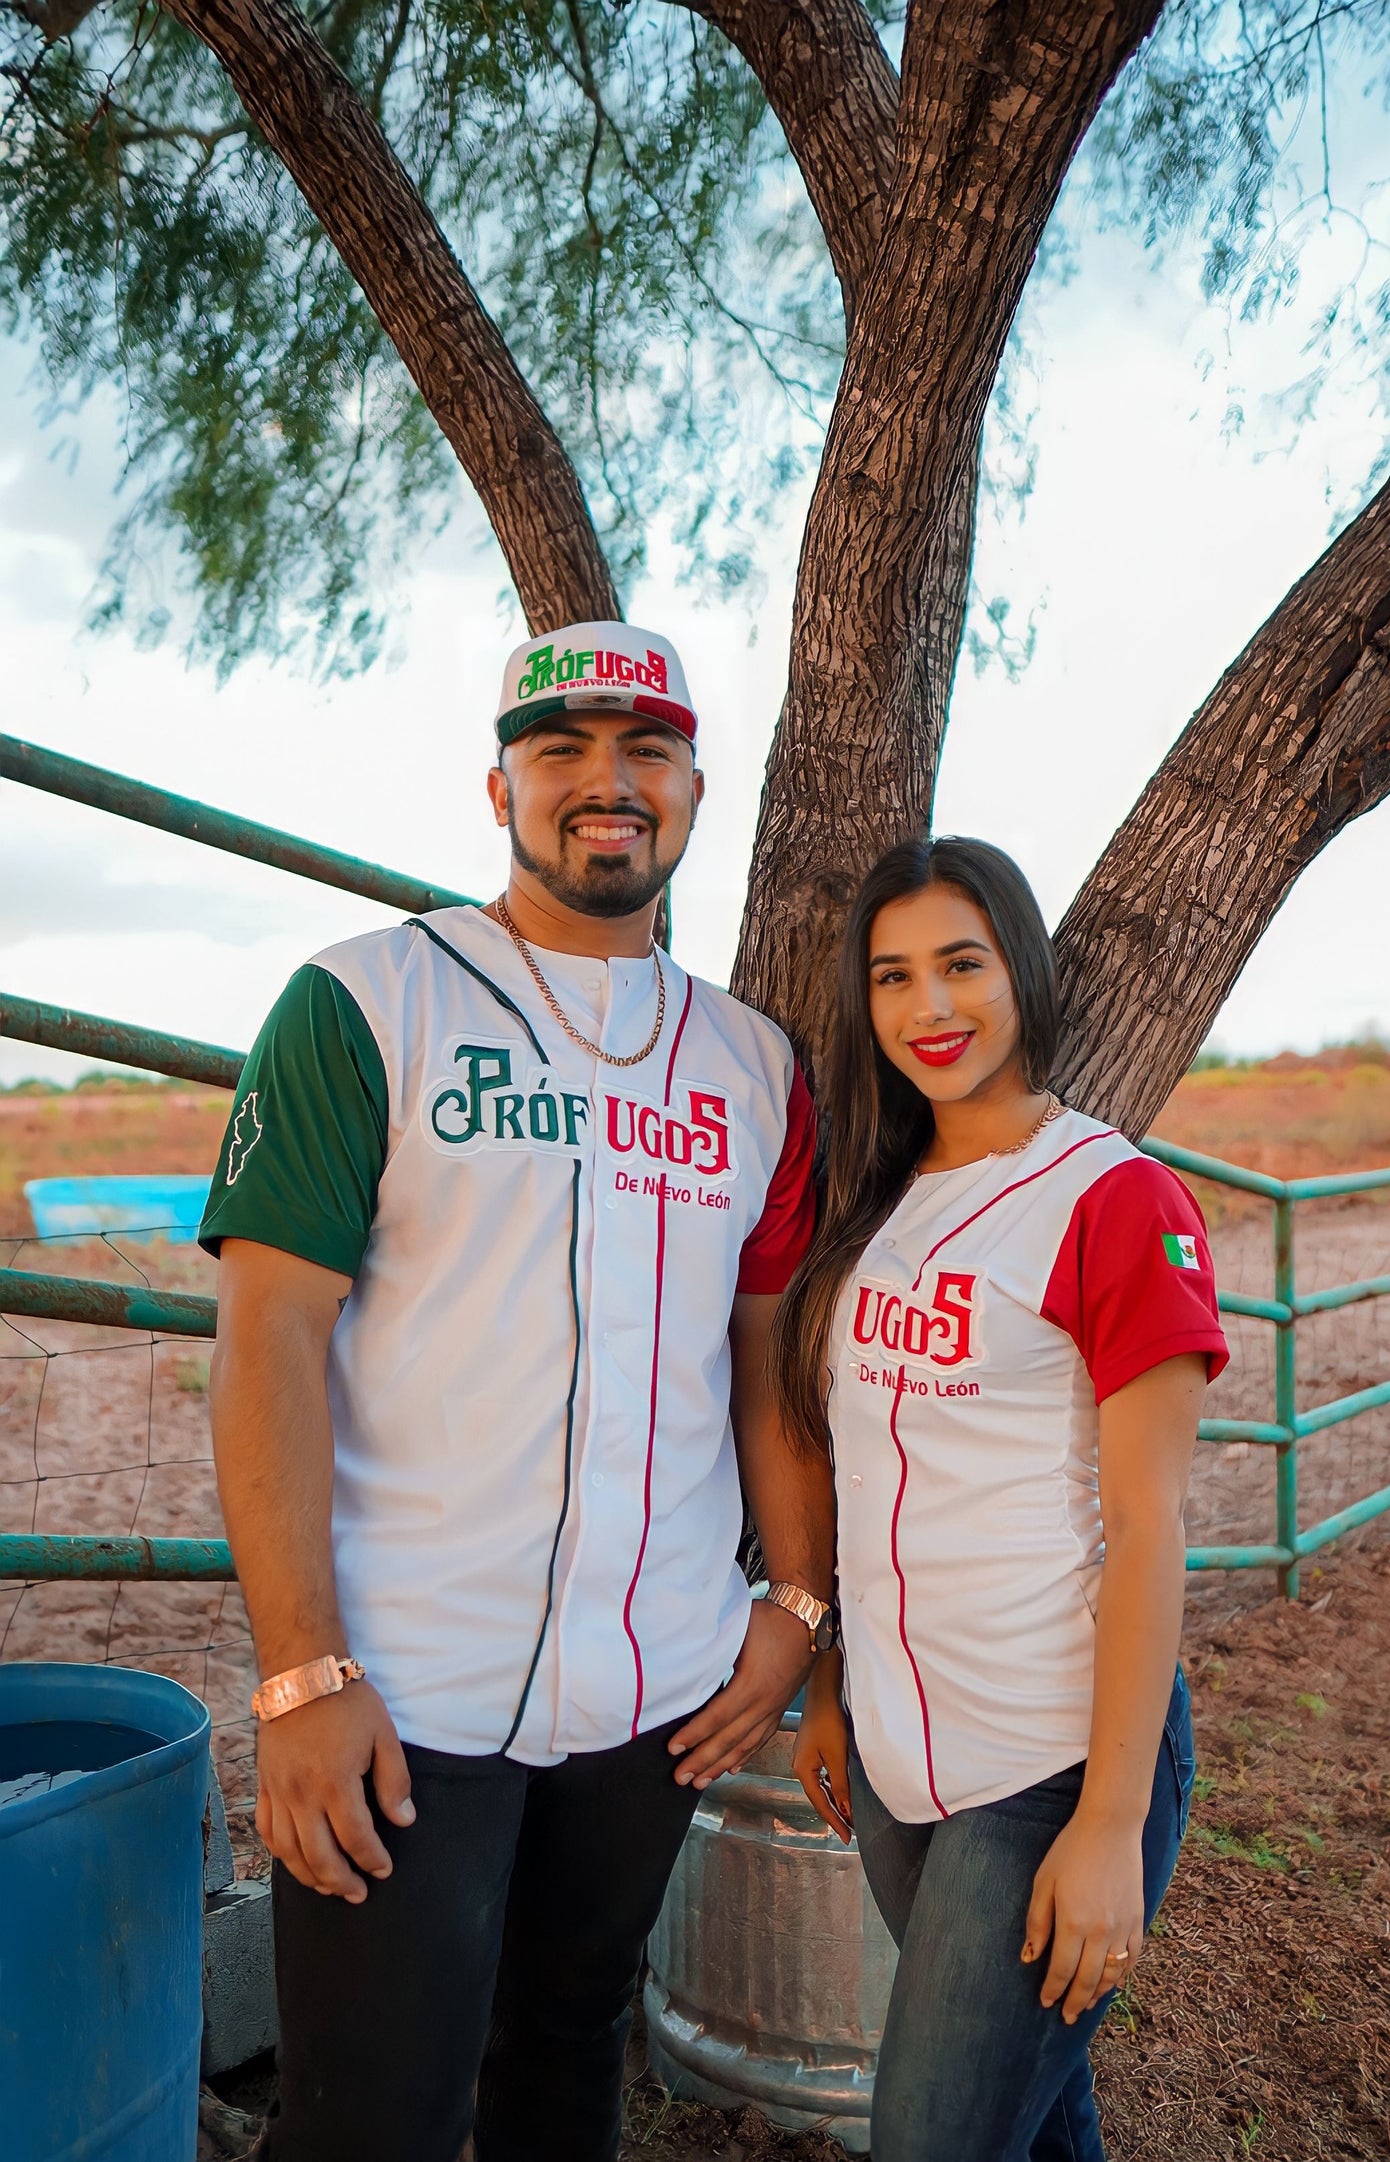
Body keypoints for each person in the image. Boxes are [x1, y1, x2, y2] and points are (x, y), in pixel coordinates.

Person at [200, 620, 837, 2162]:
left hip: (657, 1680)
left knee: (565, 2059)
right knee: (375, 2117)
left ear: (694, 785)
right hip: (403, 1686)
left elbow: (764, 1366)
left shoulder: (756, 1066)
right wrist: (300, 1670)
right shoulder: (366, 1001)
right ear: (499, 787)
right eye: (561, 750)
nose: (605, 783)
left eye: (645, 751)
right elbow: (267, 1338)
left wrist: (796, 1603)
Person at [776, 835, 1229, 2162]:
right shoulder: (877, 1204)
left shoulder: (1113, 1197)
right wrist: (827, 1681)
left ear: (1021, 970)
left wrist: (1103, 1823)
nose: (929, 1008)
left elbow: (1148, 1524)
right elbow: (866, 1474)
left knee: (931, 2137)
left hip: (1049, 1758)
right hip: (894, 1747)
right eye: (892, 975)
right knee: (1038, 2122)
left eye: (961, 964)